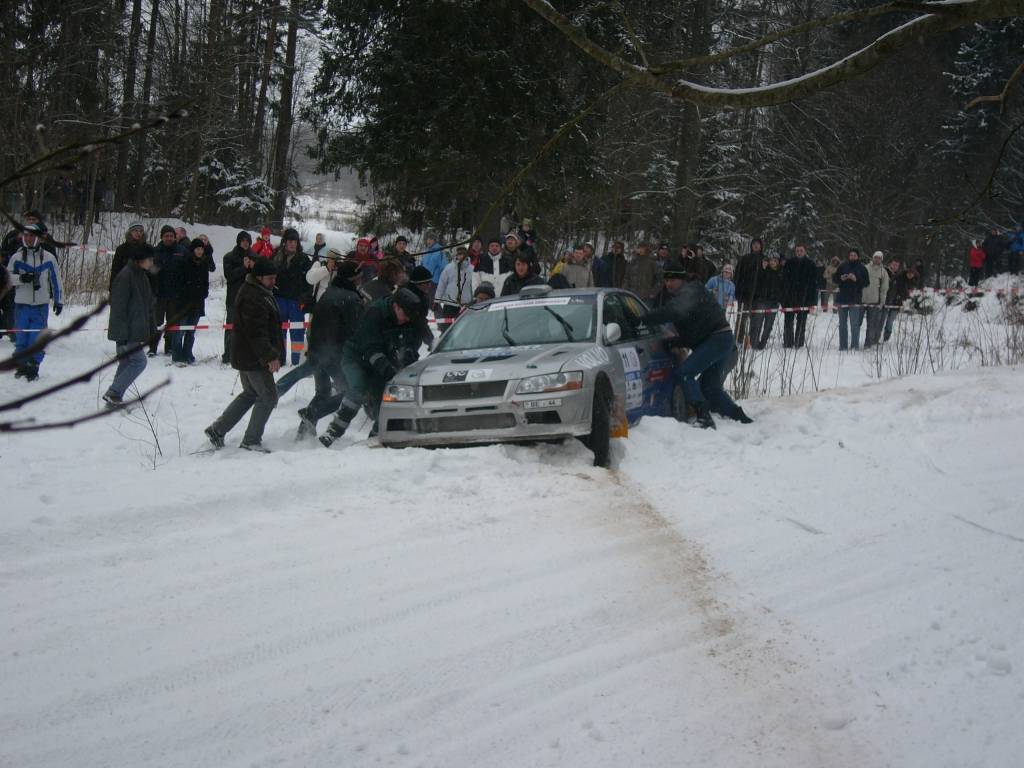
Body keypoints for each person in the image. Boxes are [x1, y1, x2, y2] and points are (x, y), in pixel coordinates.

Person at [319, 288, 424, 447]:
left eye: (410, 317)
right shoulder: (375, 313)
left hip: (384, 358)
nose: (407, 319)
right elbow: (371, 349)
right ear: (396, 306)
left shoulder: (410, 317)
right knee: (358, 388)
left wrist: (408, 353)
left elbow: (415, 339)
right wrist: (388, 370)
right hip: (356, 356)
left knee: (385, 396)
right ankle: (333, 431)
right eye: (405, 315)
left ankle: (375, 435)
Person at [643, 280, 752, 429]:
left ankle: (703, 416)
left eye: (671, 280)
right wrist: (672, 342)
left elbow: (691, 336)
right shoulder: (694, 298)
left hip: (718, 341)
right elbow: (691, 336)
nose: (668, 284)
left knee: (685, 373)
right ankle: (740, 417)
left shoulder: (685, 304)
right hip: (725, 339)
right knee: (710, 387)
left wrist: (668, 341)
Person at [205, 258, 284, 452]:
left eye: (275, 277)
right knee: (268, 397)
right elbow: (257, 332)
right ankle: (251, 441)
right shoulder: (254, 296)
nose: (274, 281)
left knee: (250, 393)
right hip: (253, 358)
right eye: (270, 278)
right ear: (259, 277)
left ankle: (218, 429)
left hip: (246, 355)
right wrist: (270, 356)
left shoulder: (258, 291)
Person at [295, 260, 366, 439]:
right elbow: (355, 330)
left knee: (323, 391)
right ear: (353, 278)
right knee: (351, 391)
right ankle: (312, 413)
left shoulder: (329, 292)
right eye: (359, 276)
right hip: (335, 354)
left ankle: (302, 434)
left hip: (317, 351)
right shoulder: (351, 298)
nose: (361, 279)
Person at [103, 245, 156, 407]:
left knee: (126, 362)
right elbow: (118, 308)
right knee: (139, 362)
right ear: (142, 260)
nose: (152, 262)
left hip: (134, 329)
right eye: (150, 259)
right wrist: (122, 335)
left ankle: (114, 396)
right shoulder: (126, 276)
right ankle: (113, 393)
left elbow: (146, 305)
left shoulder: (141, 275)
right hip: (126, 332)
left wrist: (151, 328)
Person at [10, 222, 63, 380]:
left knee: (36, 339)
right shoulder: (16, 257)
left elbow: (56, 280)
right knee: (21, 339)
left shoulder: (48, 258)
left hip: (40, 306)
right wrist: (21, 278)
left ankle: (33, 367)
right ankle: (22, 365)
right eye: (26, 235)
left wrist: (59, 301)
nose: (29, 238)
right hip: (21, 305)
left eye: (32, 235)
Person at [273, 228, 312, 366]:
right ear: (285, 242)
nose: (292, 244)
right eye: (290, 241)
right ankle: (279, 358)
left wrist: (305, 298)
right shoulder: (276, 255)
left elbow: (309, 281)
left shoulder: (304, 259)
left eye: (295, 241)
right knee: (279, 330)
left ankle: (297, 360)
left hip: (296, 301)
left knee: (297, 332)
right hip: (279, 299)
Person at [172, 238, 214, 365]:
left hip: (198, 302)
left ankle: (188, 353)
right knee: (180, 330)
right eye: (197, 249)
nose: (200, 251)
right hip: (184, 302)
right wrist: (184, 293)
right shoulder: (184, 262)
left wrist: (204, 293)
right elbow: (177, 282)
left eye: (201, 249)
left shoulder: (204, 263)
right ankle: (177, 354)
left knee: (191, 331)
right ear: (193, 250)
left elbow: (206, 281)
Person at [150, 225, 184, 356]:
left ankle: (168, 347)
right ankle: (152, 347)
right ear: (162, 237)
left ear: (175, 237)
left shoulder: (181, 251)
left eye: (171, 236)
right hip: (158, 293)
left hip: (175, 294)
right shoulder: (155, 251)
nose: (169, 238)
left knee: (171, 322)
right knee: (155, 322)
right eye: (166, 236)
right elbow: (150, 271)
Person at [222, 231, 252, 364]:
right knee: (231, 328)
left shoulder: (255, 256)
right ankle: (228, 354)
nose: (245, 243)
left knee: (249, 328)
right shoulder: (229, 257)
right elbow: (230, 276)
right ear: (239, 241)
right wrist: (243, 268)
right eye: (243, 240)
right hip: (234, 297)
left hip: (251, 298)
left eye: (247, 240)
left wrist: (253, 267)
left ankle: (246, 354)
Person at [781, 244, 818, 349]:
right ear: (795, 252)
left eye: (801, 250)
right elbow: (784, 281)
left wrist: (812, 302)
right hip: (790, 298)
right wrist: (783, 300)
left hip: (805, 298)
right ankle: (788, 342)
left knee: (801, 323)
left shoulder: (811, 264)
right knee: (788, 322)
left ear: (805, 252)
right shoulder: (789, 263)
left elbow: (814, 284)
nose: (799, 252)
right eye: (797, 250)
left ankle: (799, 342)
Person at [834, 248, 869, 351]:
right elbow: (834, 278)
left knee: (854, 324)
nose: (852, 256)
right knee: (842, 324)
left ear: (858, 256)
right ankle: (843, 346)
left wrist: (856, 279)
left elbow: (867, 282)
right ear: (848, 256)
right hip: (842, 298)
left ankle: (854, 346)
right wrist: (841, 278)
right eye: (851, 255)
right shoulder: (843, 266)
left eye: (854, 255)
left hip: (855, 299)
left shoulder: (862, 268)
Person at [435, 245, 474, 332]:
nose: (461, 256)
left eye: (463, 254)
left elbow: (474, 287)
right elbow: (441, 284)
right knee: (447, 330)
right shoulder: (449, 268)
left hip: (466, 305)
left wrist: (474, 300)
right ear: (456, 255)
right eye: (459, 254)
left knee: (465, 330)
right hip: (450, 304)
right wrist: (437, 300)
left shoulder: (472, 270)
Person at [750, 252, 784, 350]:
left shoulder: (781, 272)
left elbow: (783, 288)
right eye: (771, 260)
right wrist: (762, 270)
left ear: (778, 262)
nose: (773, 262)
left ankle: (763, 344)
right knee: (757, 323)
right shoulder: (763, 270)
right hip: (762, 301)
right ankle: (755, 343)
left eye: (775, 260)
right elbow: (756, 282)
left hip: (774, 302)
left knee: (769, 325)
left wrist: (780, 299)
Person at [734, 237, 764, 344]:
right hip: (744, 294)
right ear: (751, 246)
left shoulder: (764, 260)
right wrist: (737, 291)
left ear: (761, 246)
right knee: (741, 319)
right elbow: (737, 275)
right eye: (754, 244)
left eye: (758, 244)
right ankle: (738, 339)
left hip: (758, 295)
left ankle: (752, 340)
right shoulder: (744, 258)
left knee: (755, 320)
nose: (755, 246)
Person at [108, 223, 152, 292]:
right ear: (130, 232)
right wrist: (112, 288)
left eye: (141, 231)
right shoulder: (122, 249)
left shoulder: (149, 249)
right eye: (136, 231)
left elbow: (153, 270)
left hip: (143, 288)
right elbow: (115, 270)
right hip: (125, 287)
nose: (139, 233)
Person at [863, 250, 890, 349]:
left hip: (875, 301)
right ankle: (854, 343)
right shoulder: (865, 268)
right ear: (872, 257)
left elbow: (884, 288)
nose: (877, 259)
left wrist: (882, 301)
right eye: (876, 257)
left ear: (881, 259)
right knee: (857, 323)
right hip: (862, 300)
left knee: (871, 324)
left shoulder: (883, 272)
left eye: (879, 258)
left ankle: (868, 344)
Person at [883, 259, 912, 342]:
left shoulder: (900, 276)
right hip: (885, 300)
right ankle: (875, 338)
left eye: (897, 265)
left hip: (896, 302)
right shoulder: (885, 272)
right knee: (881, 321)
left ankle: (886, 338)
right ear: (890, 264)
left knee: (890, 321)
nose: (895, 266)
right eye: (894, 264)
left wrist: (903, 296)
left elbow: (906, 286)